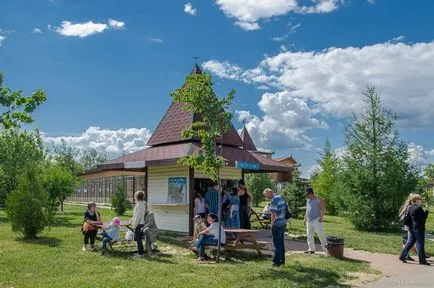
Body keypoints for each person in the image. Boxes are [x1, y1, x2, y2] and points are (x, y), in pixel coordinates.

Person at [399, 194, 430, 265]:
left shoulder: (410, 207)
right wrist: (427, 211)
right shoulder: (418, 208)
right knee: (420, 244)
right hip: (419, 228)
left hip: (412, 227)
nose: (421, 200)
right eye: (420, 199)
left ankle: (402, 256)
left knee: (410, 242)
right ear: (416, 200)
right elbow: (423, 218)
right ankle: (422, 261)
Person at [264, 188, 287, 267]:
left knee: (275, 243)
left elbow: (273, 215)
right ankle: (282, 261)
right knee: (281, 243)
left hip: (277, 224)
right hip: (283, 222)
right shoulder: (280, 197)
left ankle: (275, 262)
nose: (266, 197)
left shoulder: (274, 200)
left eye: (266, 195)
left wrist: (271, 225)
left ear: (270, 193)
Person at [304, 187, 327, 254]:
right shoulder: (308, 201)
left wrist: (321, 217)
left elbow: (323, 209)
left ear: (311, 194)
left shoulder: (318, 200)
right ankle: (311, 249)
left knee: (320, 234)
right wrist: (305, 218)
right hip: (309, 220)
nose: (307, 196)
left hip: (317, 220)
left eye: (307, 195)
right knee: (309, 235)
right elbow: (307, 210)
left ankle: (326, 249)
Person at [399, 193, 417, 261]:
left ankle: (406, 255)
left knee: (406, 241)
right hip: (408, 226)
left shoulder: (407, 205)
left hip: (406, 226)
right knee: (407, 241)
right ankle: (405, 255)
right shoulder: (410, 206)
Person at [131, 190, 147, 257]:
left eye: (135, 196)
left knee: (138, 239)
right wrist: (132, 219)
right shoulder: (143, 204)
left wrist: (134, 225)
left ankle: (140, 253)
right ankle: (141, 251)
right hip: (141, 223)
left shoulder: (139, 205)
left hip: (139, 224)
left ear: (137, 197)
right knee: (139, 239)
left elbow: (138, 217)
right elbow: (136, 215)